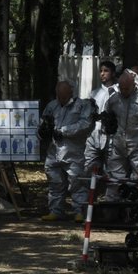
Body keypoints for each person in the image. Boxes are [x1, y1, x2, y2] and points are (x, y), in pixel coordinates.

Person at [40, 79, 92, 221]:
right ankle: (56, 211)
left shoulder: (82, 105)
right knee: (55, 182)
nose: (61, 99)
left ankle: (80, 211)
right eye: (59, 96)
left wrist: (64, 131)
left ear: (71, 93)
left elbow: (85, 124)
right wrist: (42, 131)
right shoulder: (52, 106)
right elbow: (43, 123)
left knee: (77, 182)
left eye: (64, 96)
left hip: (73, 152)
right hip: (53, 151)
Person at [98, 69, 138, 188]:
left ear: (133, 86)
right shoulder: (114, 99)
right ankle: (115, 203)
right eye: (122, 88)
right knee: (115, 178)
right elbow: (106, 114)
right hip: (118, 144)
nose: (124, 91)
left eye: (127, 88)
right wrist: (108, 124)